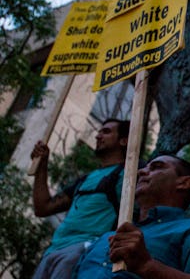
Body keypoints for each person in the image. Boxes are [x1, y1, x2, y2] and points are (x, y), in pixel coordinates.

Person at [73, 155, 190, 278]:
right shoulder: (107, 236)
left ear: (184, 182)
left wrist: (147, 266)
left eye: (156, 167)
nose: (141, 172)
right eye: (144, 168)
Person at [31, 118, 130, 279]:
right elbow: (43, 208)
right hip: (53, 250)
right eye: (99, 131)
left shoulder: (128, 175)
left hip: (84, 250)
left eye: (106, 132)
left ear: (124, 141)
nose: (98, 136)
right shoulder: (86, 179)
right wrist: (42, 164)